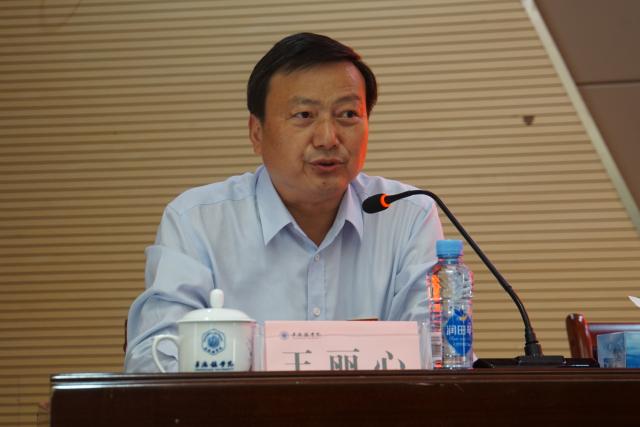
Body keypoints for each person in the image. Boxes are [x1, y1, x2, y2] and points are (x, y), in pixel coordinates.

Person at [124, 32, 443, 372]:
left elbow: (439, 355)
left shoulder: (408, 215)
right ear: (256, 132)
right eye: (304, 115)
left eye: (348, 114)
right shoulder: (196, 222)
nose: (327, 138)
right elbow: (153, 361)